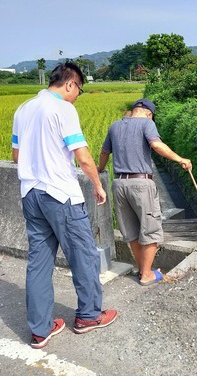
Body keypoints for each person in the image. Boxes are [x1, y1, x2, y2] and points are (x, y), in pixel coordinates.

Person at [12, 62, 117, 349]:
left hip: (30, 194)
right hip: (60, 194)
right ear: (70, 84)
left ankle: (40, 330)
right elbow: (82, 157)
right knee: (83, 255)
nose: (77, 96)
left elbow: (15, 153)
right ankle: (88, 316)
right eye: (79, 91)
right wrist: (98, 185)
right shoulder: (63, 109)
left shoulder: (23, 109)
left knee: (39, 261)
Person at [98, 98, 192, 286]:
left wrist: (99, 171)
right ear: (149, 113)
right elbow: (156, 145)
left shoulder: (115, 126)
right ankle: (147, 275)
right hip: (141, 184)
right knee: (150, 228)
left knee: (131, 231)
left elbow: (104, 153)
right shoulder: (147, 123)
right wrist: (180, 159)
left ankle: (143, 270)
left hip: (118, 184)